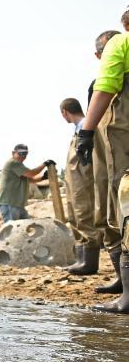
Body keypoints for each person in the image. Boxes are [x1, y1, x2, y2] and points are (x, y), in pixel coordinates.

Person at [76, 13, 129, 313]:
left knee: (123, 203)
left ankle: (127, 295)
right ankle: (122, 280)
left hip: (121, 136)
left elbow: (107, 85)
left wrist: (84, 132)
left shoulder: (121, 44)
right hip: (110, 142)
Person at [60, 98, 101, 275]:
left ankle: (89, 263)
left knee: (84, 215)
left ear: (65, 112)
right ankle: (81, 260)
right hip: (73, 181)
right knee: (74, 216)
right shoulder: (78, 130)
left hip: (83, 181)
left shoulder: (87, 127)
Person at [0, 144, 51, 222]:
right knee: (12, 230)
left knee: (25, 228)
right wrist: (44, 164)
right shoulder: (13, 163)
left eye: (25, 153)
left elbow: (31, 179)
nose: (23, 156)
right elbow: (31, 173)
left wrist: (43, 177)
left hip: (17, 204)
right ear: (13, 153)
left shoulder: (19, 166)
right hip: (9, 203)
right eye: (20, 153)